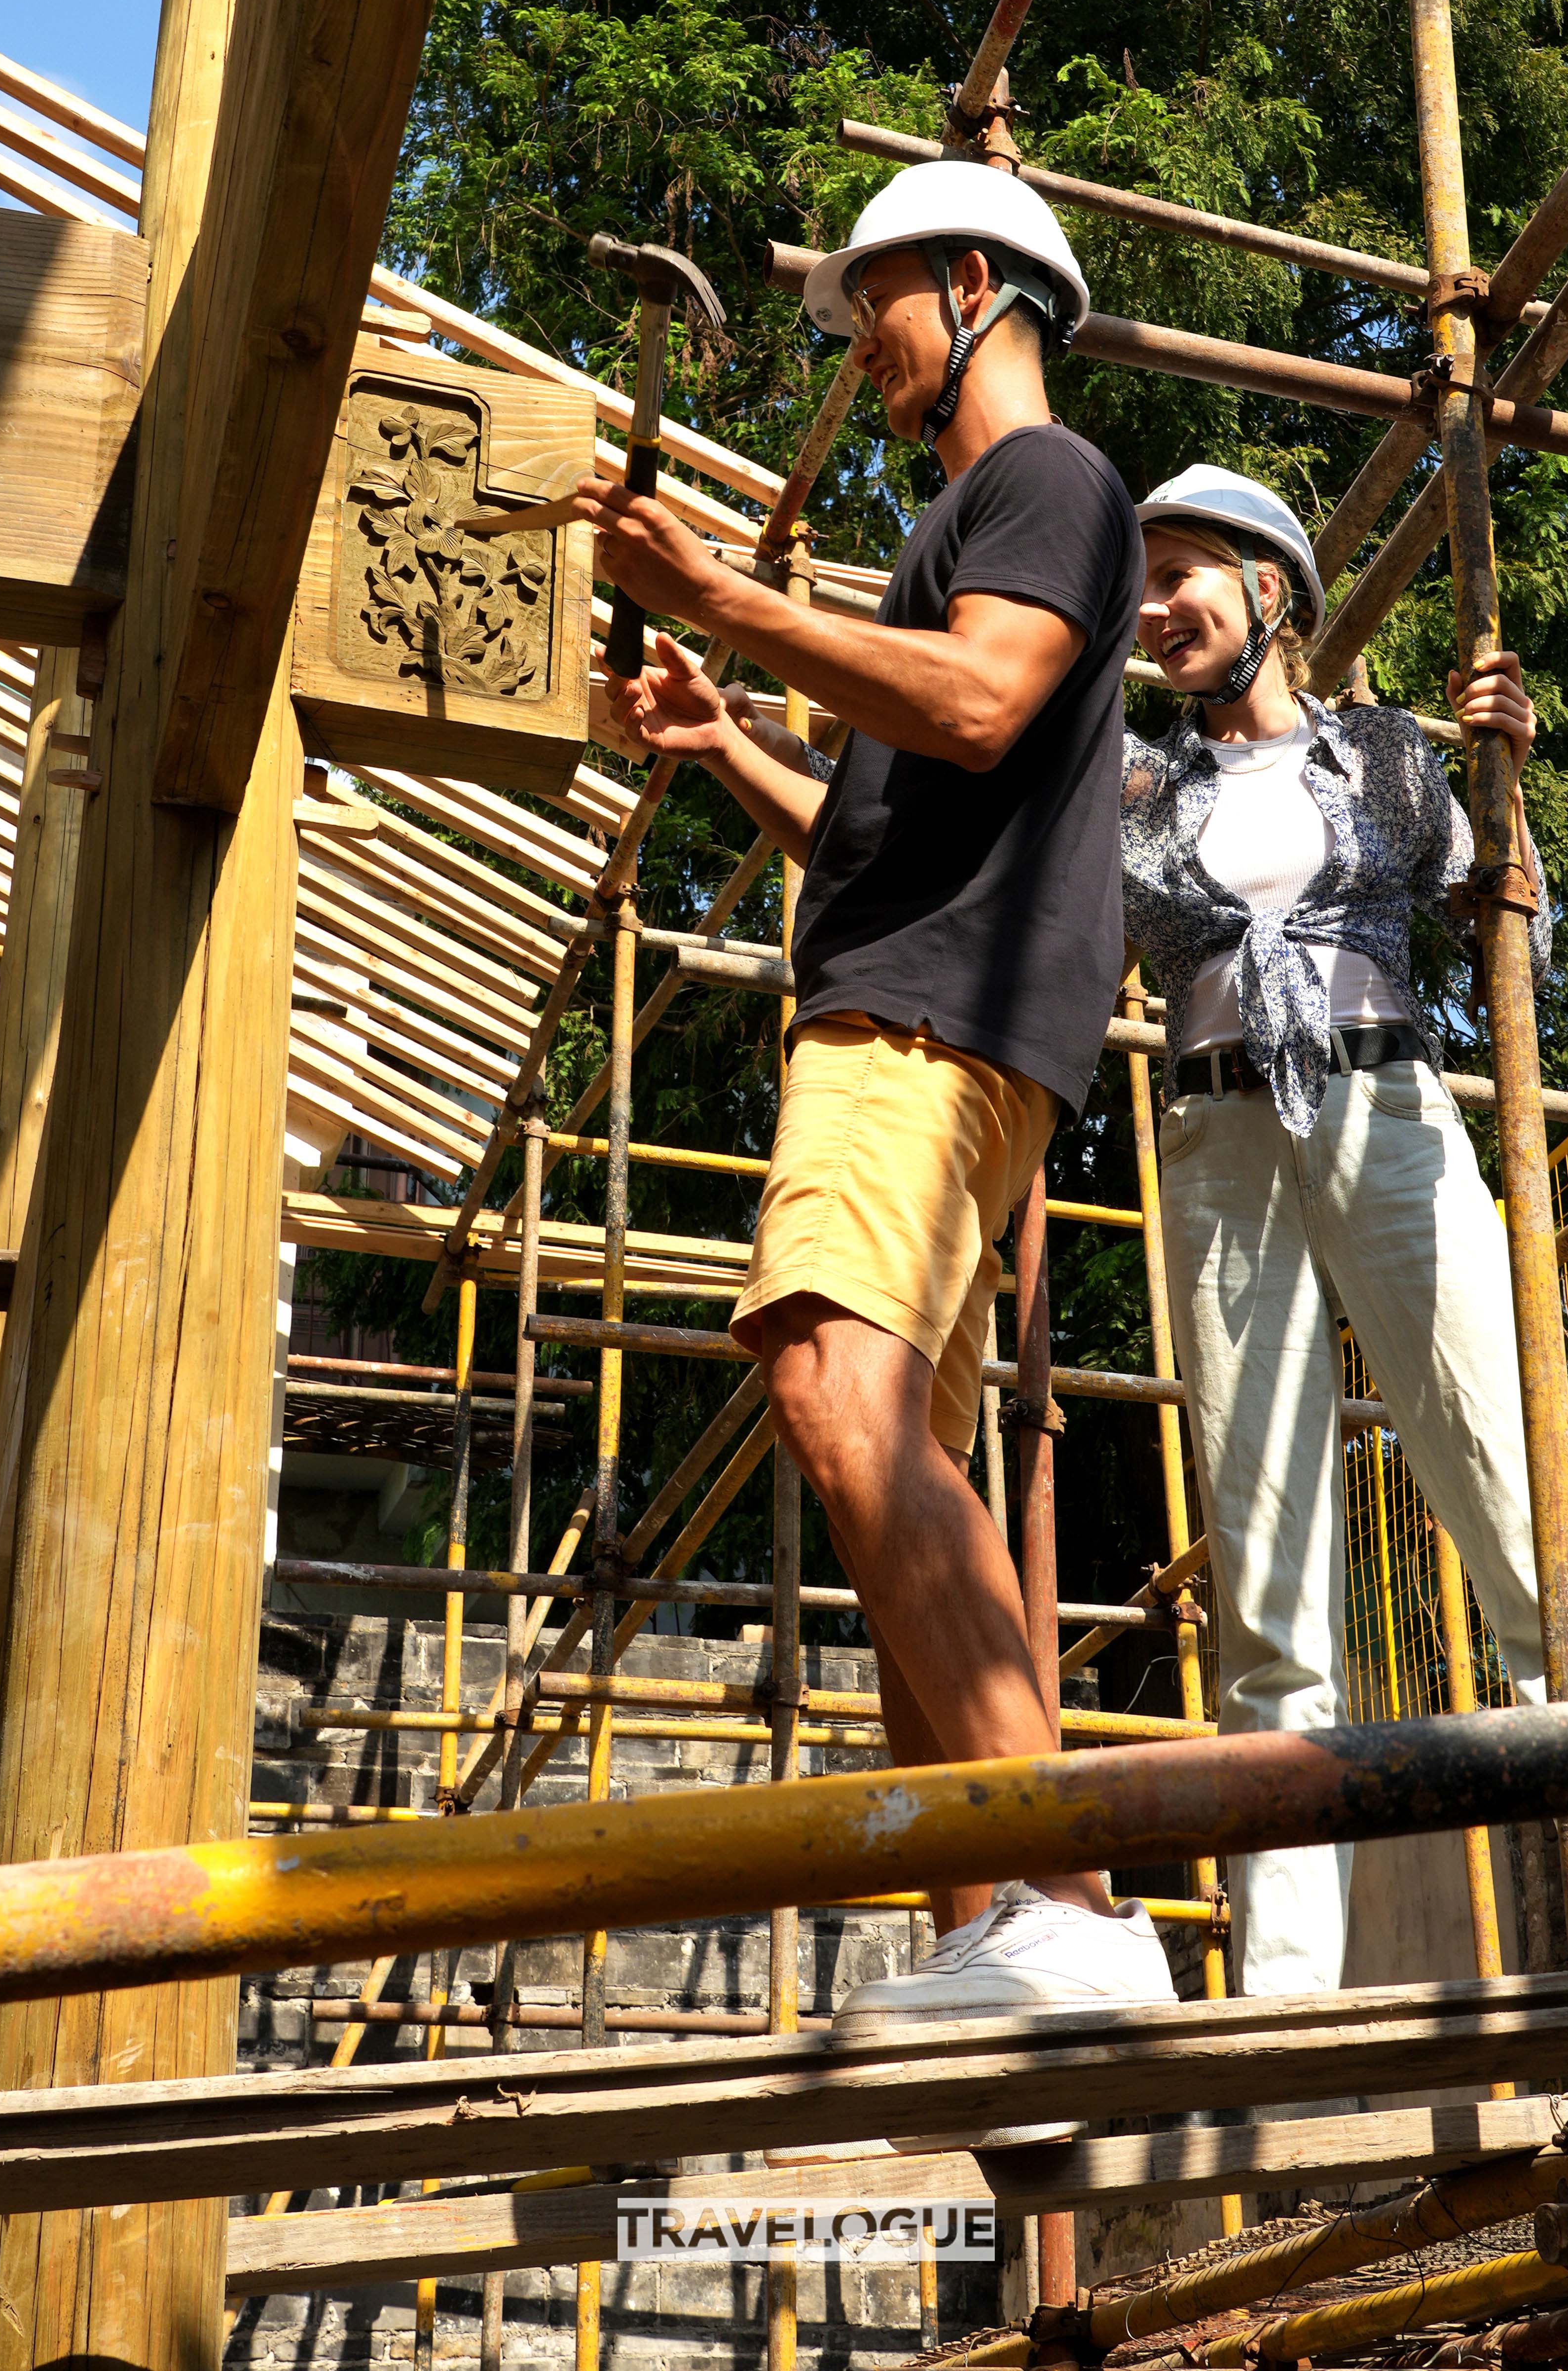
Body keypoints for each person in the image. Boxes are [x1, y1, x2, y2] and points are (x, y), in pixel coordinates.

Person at [589, 160, 1176, 2023]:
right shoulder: (981, 519)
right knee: (874, 1428)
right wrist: (728, 739)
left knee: (834, 1393)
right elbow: (875, 827)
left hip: (925, 1035)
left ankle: (1068, 1904)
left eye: (880, 305)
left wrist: (733, 606)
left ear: (975, 282)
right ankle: (996, 1923)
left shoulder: (1049, 483)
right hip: (908, 1004)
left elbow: (984, 705)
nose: (872, 342)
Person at [1120, 461, 1568, 1995]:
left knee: (1533, 1538)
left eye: (1181, 573)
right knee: (1268, 1596)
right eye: (1140, 583)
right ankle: (1284, 2008)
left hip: (1389, 1120)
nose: (1152, 610)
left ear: (1271, 590)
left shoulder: (1393, 757)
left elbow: (1497, 896)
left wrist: (1504, 767)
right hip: (1215, 1145)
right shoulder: (1128, 785)